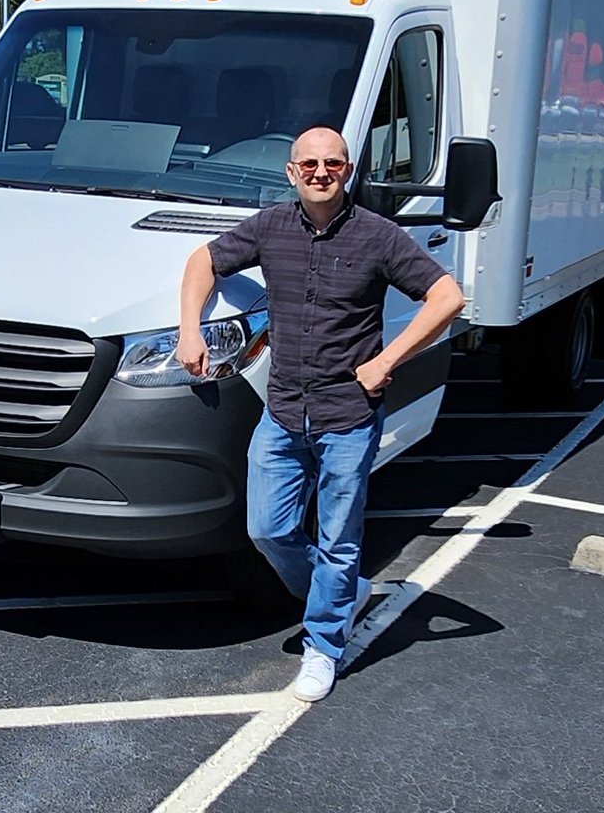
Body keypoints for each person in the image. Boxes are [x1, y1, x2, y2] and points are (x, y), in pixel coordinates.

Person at [176, 125, 465, 701]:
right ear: (291, 172)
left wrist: (388, 361)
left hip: (349, 415)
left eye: (332, 164)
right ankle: (342, 594)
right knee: (268, 527)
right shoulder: (271, 227)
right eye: (308, 165)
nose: (320, 173)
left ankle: (323, 646)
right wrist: (190, 331)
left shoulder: (379, 237)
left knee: (339, 540)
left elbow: (447, 297)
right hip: (282, 410)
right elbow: (202, 260)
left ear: (348, 169)